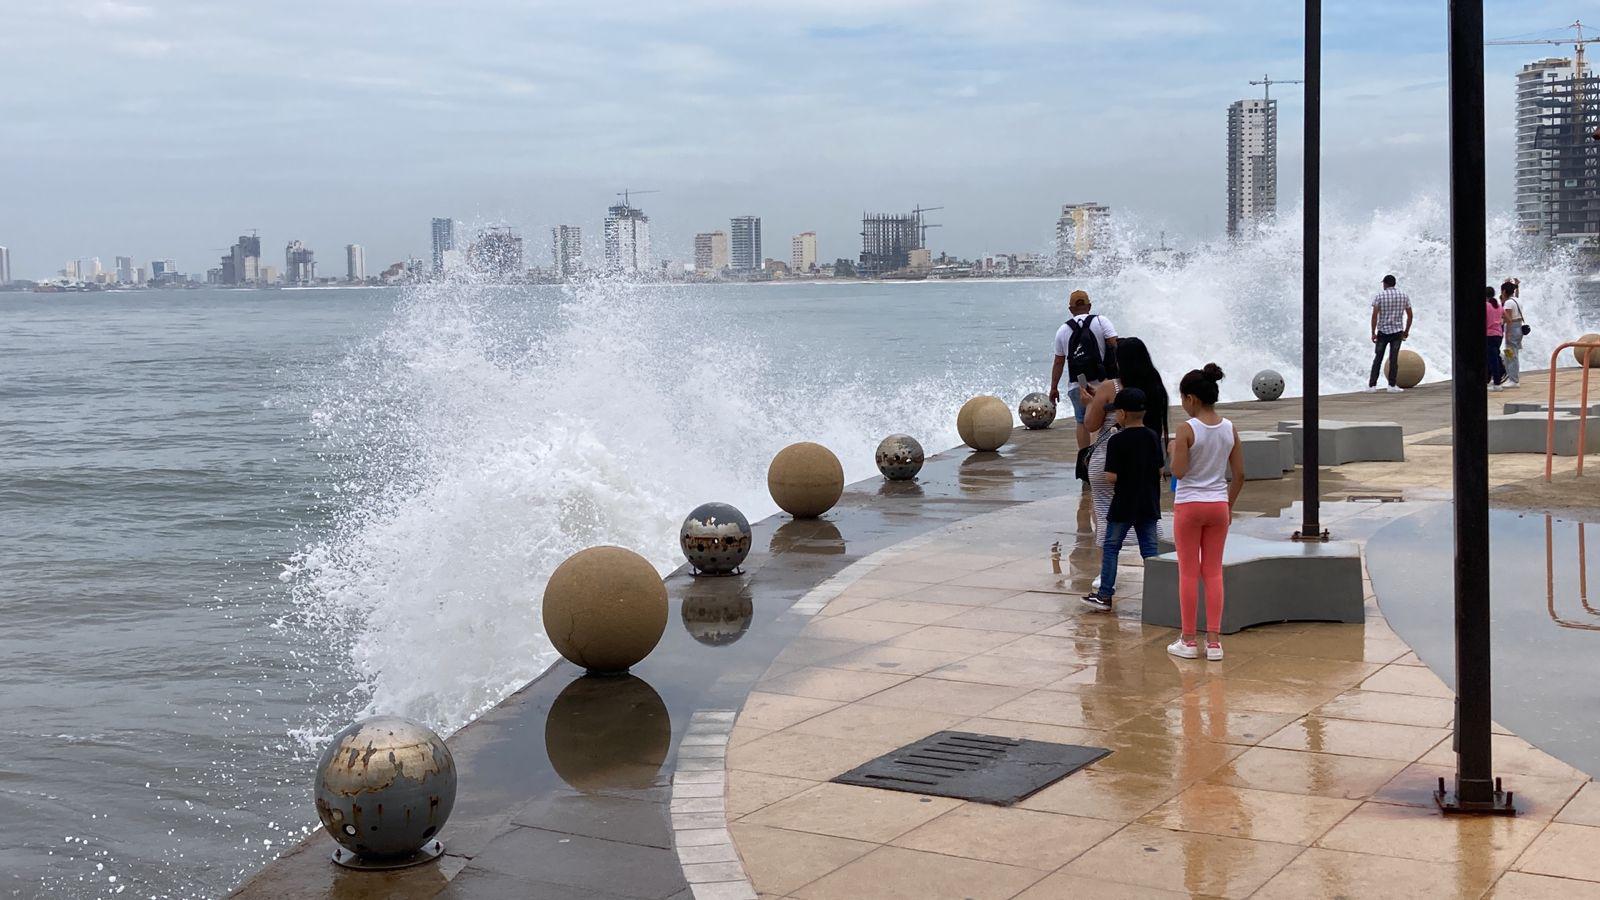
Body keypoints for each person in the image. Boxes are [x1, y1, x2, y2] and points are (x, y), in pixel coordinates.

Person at [1167, 364, 1244, 661]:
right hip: (1217, 505)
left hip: (1189, 505)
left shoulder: (1187, 429)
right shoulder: (1229, 428)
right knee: (1213, 572)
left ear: (1192, 399)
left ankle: (1188, 640)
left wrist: (1175, 449)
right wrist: (1228, 505)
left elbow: (1180, 472)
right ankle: (1214, 642)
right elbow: (1239, 475)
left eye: (1183, 398)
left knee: (1188, 572)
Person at [1082, 387, 1164, 612]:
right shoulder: (1152, 436)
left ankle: (1105, 595)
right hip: (1148, 502)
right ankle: (1159, 594)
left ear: (1123, 415)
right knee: (1150, 550)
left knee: (1111, 547)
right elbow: (1159, 470)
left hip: (1123, 504)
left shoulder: (1117, 441)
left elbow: (1110, 477)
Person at [1049, 289, 1118, 446]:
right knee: (1104, 421)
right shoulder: (1101, 321)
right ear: (1089, 306)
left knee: (1082, 422)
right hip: (1103, 383)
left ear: (1070, 309)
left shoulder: (1062, 330)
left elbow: (1058, 362)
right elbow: (1116, 344)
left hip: (1077, 385)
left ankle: (1083, 460)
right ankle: (1100, 457)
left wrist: (1054, 388)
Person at [1368, 275, 1413, 393]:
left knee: (1378, 358)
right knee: (1394, 359)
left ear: (1385, 284)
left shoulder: (1379, 296)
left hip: (1382, 331)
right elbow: (1410, 315)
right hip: (1397, 332)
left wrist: (1373, 332)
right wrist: (1406, 331)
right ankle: (1392, 386)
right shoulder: (1404, 296)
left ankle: (1372, 386)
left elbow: (1374, 316)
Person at [1501, 279, 1526, 389]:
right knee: (1510, 353)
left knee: (1511, 354)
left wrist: (1506, 332)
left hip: (1512, 328)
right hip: (1518, 327)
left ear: (1505, 291)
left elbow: (1508, 319)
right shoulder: (1516, 300)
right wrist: (1516, 286)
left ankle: (1514, 380)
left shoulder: (1508, 303)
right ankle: (1512, 377)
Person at [1486, 285, 1508, 392]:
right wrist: (1499, 322)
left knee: (1492, 360)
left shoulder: (1486, 306)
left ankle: (1497, 383)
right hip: (1498, 335)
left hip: (1488, 336)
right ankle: (1493, 380)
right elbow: (1508, 319)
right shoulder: (1498, 306)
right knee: (1493, 358)